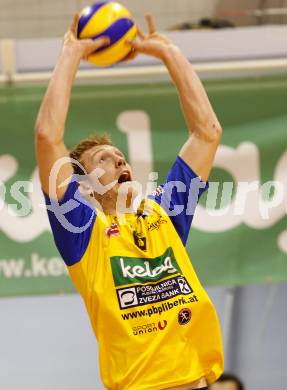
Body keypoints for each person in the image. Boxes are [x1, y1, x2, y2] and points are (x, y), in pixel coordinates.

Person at [35, 12, 224, 390]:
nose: (119, 160)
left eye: (119, 155)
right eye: (102, 159)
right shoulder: (82, 234)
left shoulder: (163, 213)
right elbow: (46, 136)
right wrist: (70, 55)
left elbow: (207, 132)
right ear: (84, 187)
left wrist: (169, 54)